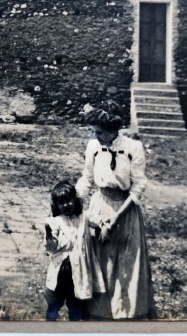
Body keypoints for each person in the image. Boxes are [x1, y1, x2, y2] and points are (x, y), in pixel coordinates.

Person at [75, 104, 155, 320]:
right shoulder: (93, 146)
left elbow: (138, 187)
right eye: (94, 132)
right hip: (99, 206)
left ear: (112, 131)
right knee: (99, 259)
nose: (96, 136)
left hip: (125, 210)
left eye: (99, 132)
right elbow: (88, 178)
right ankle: (97, 311)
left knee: (125, 261)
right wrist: (77, 201)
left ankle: (125, 312)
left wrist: (116, 219)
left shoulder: (132, 148)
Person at [43, 180, 105, 321]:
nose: (66, 205)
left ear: (75, 200)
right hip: (62, 272)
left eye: (69, 201)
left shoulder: (84, 217)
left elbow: (100, 221)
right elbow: (51, 247)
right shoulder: (55, 222)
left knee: (76, 304)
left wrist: (103, 228)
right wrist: (48, 235)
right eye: (61, 203)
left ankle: (74, 329)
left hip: (79, 272)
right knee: (54, 303)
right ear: (56, 205)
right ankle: (48, 328)